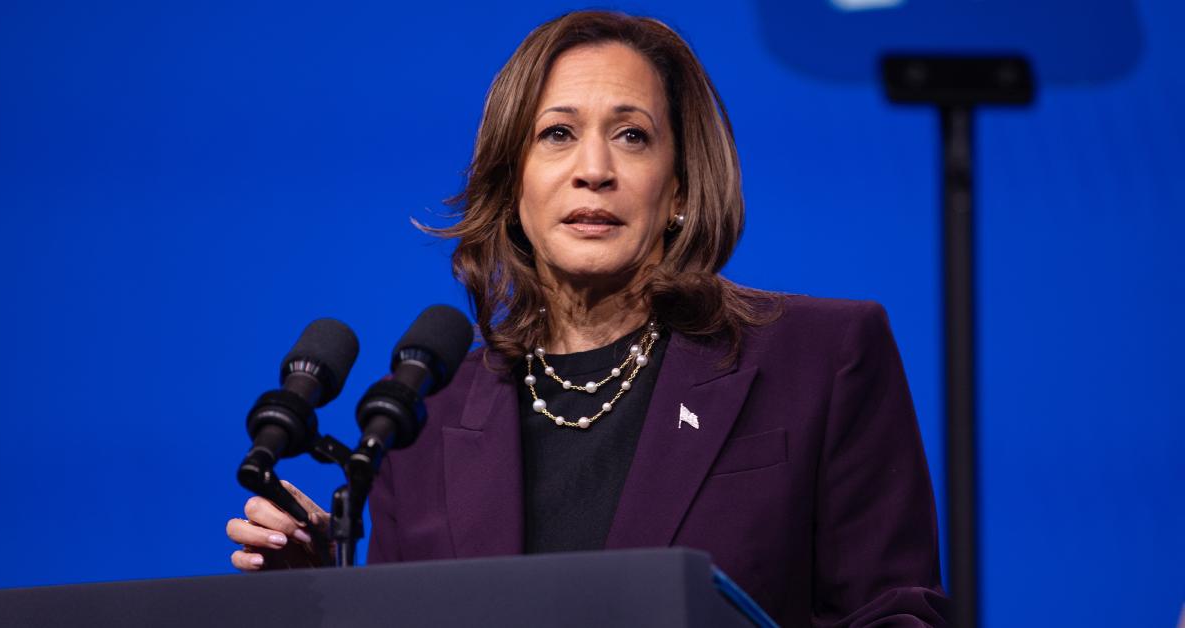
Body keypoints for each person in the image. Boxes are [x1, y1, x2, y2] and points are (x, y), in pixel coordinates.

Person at [226, 10, 949, 626]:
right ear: (512, 188)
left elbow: (896, 615)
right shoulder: (424, 421)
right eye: (557, 135)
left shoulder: (820, 358)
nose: (593, 169)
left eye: (632, 135)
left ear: (679, 191)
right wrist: (330, 591)